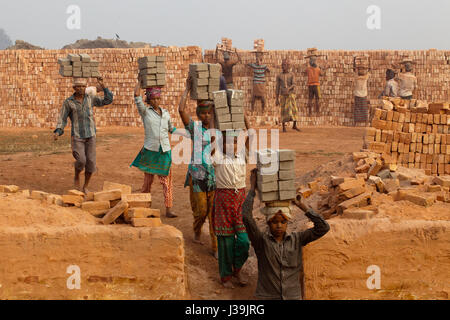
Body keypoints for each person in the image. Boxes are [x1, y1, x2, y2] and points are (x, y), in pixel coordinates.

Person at [242, 169, 330, 300]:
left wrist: (301, 205)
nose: (279, 226)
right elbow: (246, 216)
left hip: (292, 296)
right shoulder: (261, 241)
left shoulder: (297, 239)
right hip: (267, 296)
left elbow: (323, 227)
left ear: (287, 222)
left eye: (283, 222)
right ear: (268, 222)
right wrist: (252, 190)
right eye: (274, 222)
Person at [178, 76, 218, 257]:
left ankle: (215, 247)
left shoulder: (218, 129)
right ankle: (196, 230)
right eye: (203, 113)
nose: (206, 116)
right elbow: (181, 110)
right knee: (201, 211)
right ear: (198, 114)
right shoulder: (195, 128)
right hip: (197, 176)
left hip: (214, 176)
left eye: (209, 113)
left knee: (214, 214)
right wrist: (187, 89)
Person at [53, 77, 113, 193]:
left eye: (83, 86)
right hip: (77, 136)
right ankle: (76, 175)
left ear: (86, 88)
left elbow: (107, 100)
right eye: (78, 87)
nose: (80, 88)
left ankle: (85, 186)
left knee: (91, 163)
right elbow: (62, 118)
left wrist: (104, 86)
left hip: (91, 135)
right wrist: (58, 131)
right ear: (74, 88)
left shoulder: (91, 98)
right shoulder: (68, 102)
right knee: (81, 161)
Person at [130, 82, 177, 218]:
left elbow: (170, 128)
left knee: (166, 182)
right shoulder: (145, 112)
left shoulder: (166, 114)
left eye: (158, 98)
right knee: (147, 182)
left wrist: (185, 132)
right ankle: (144, 206)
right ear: (149, 100)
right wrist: (140, 81)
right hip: (150, 151)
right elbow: (136, 95)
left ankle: (168, 209)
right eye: (153, 99)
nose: (156, 101)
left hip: (165, 152)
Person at [212, 129, 250, 289]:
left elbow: (249, 135)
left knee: (244, 241)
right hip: (223, 202)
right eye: (227, 142)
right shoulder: (217, 156)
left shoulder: (242, 155)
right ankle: (226, 276)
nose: (231, 145)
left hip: (240, 201)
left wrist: (244, 120)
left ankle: (237, 268)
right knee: (226, 242)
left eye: (234, 142)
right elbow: (213, 140)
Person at [276, 59, 300, 132]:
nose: (283, 66)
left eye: (285, 65)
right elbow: (277, 87)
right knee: (283, 110)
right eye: (282, 65)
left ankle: (294, 125)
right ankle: (283, 127)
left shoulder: (291, 74)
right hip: (283, 95)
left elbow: (294, 84)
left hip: (290, 95)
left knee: (294, 109)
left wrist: (288, 89)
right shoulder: (279, 76)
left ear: (288, 66)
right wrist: (276, 99)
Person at [353, 57, 371, 126]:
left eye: (362, 69)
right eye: (360, 69)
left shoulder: (357, 77)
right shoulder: (365, 77)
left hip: (359, 95)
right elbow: (370, 70)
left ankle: (357, 123)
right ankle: (364, 122)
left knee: (359, 109)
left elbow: (354, 69)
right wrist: (369, 60)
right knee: (363, 109)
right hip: (361, 95)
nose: (361, 71)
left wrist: (354, 60)